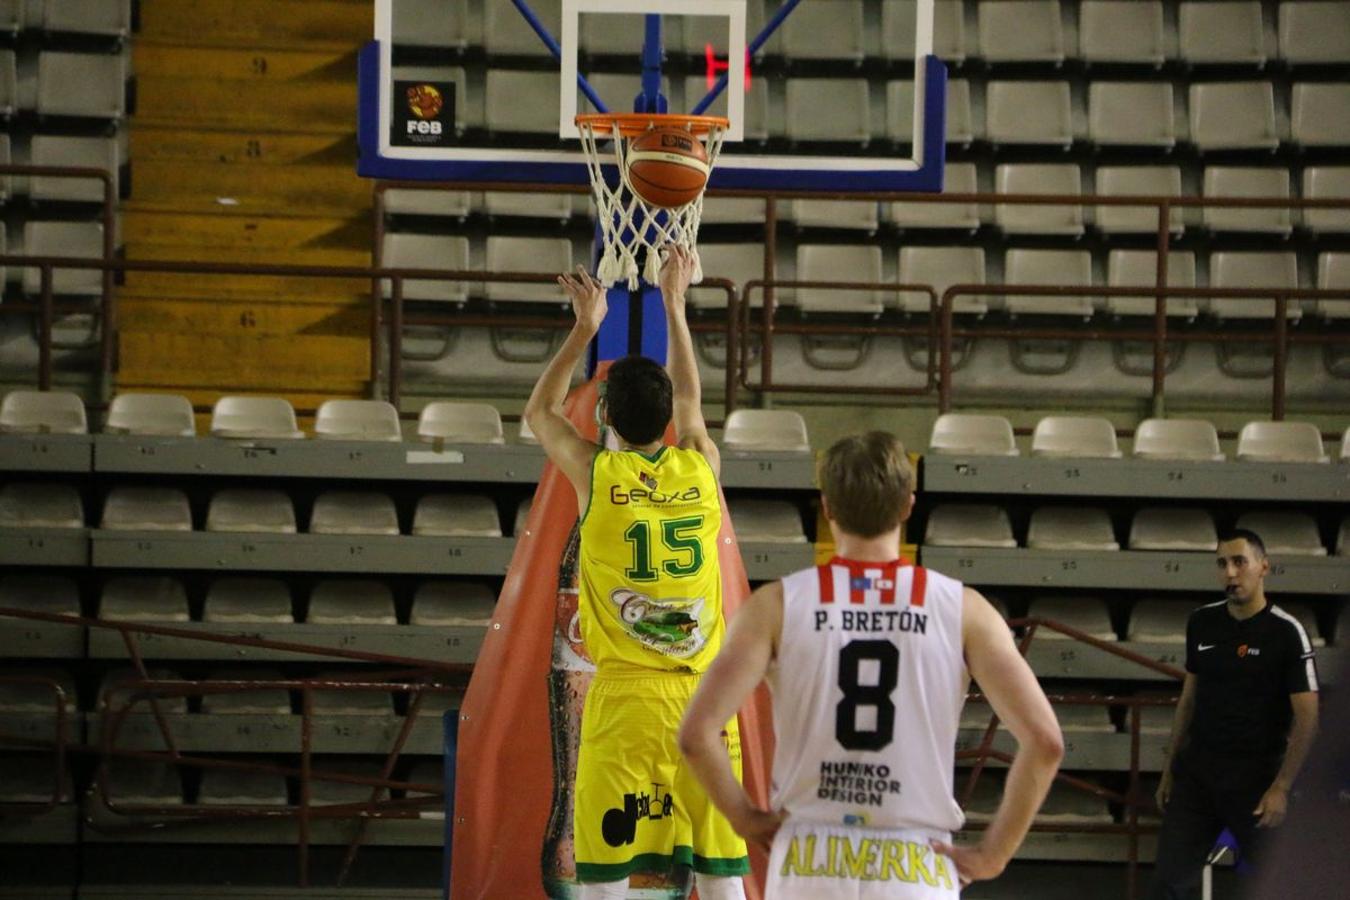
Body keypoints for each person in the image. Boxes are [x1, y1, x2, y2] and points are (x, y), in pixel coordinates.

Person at [679, 431, 1064, 899]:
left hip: (810, 854)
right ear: (908, 505)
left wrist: (745, 818)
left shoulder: (778, 605)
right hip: (915, 860)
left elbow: (697, 735)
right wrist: (993, 854)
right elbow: (1044, 743)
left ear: (827, 508)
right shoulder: (964, 609)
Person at [523, 246, 749, 900]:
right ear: (669, 421)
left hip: (624, 696)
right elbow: (692, 397)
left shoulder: (597, 474)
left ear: (605, 419)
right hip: (704, 697)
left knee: (603, 872)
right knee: (720, 871)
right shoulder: (701, 465)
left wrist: (583, 330)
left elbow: (540, 413)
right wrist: (675, 304)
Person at [1147, 528, 1320, 900]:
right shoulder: (1201, 622)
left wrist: (1282, 786)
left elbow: (1308, 718)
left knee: (1271, 885)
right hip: (1198, 775)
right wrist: (1169, 771)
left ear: (1263, 568)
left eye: (1240, 562)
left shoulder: (1287, 633)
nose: (1230, 572)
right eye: (1222, 563)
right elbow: (1188, 700)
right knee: (1168, 883)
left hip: (1256, 779)